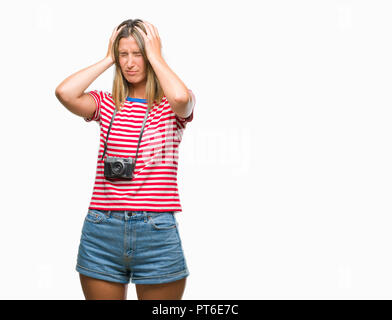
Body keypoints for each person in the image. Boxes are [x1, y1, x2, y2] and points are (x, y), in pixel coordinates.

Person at [55, 18, 195, 300]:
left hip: (156, 229)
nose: (130, 63)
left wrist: (156, 56)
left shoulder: (169, 107)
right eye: (124, 55)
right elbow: (64, 92)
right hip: (101, 228)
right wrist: (107, 58)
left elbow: (181, 97)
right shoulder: (107, 104)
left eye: (138, 54)